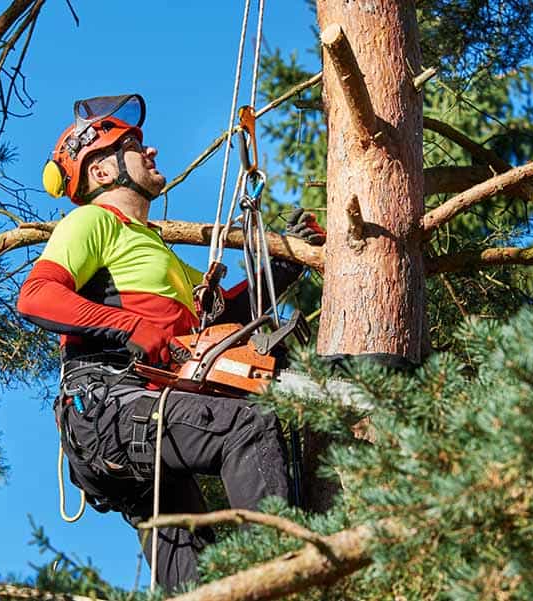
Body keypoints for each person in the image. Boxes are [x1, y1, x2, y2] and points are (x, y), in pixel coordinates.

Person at [17, 94, 325, 591]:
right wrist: (129, 327)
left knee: (196, 582)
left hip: (143, 415)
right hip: (108, 404)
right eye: (135, 146)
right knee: (247, 427)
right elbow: (36, 296)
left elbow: (222, 319)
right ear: (100, 173)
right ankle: (288, 577)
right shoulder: (95, 221)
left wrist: (284, 265)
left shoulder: (157, 252)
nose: (153, 151)